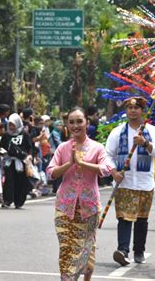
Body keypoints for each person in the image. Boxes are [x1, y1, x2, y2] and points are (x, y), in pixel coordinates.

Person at [46, 107, 112, 281]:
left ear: (87, 123)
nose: (76, 125)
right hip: (64, 207)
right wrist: (69, 163)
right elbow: (50, 173)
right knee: (67, 250)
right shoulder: (62, 148)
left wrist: (83, 163)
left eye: (79, 121)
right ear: (67, 124)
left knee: (85, 250)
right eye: (72, 122)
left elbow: (106, 170)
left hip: (88, 209)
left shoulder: (97, 148)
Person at [105, 97, 155, 265]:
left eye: (136, 107)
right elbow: (107, 155)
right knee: (123, 217)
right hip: (124, 182)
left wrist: (145, 143)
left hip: (145, 183)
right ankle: (123, 250)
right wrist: (114, 171)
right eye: (129, 107)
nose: (132, 110)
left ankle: (139, 250)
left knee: (141, 218)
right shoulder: (117, 132)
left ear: (142, 110)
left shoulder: (152, 131)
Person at [0, 113, 33, 208]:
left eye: (13, 124)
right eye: (10, 124)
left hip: (21, 161)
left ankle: (19, 201)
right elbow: (1, 146)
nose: (11, 127)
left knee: (21, 181)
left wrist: (30, 156)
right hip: (9, 161)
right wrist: (3, 153)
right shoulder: (6, 135)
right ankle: (7, 200)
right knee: (9, 181)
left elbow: (29, 147)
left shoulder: (24, 134)